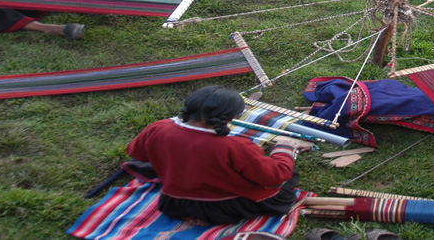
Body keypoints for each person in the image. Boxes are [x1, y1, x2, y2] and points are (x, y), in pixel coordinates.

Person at [126, 86, 313, 224]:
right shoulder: (234, 146)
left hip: (174, 201)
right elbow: (274, 176)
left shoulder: (158, 128)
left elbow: (137, 153)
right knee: (287, 176)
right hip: (222, 206)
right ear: (231, 118)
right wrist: (284, 148)